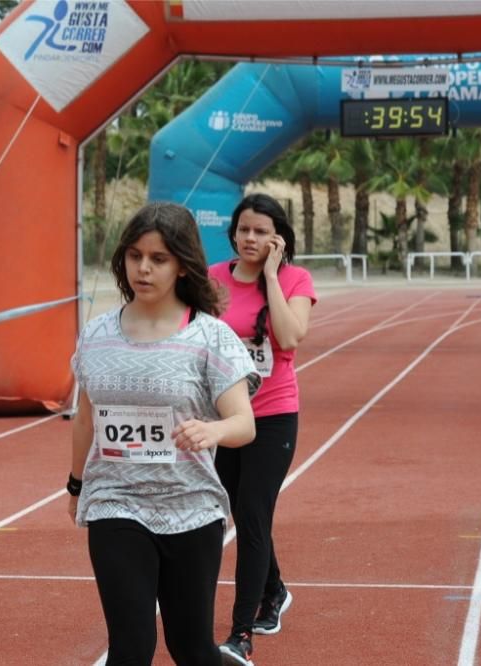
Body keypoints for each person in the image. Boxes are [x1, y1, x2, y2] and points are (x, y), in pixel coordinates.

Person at [68, 202, 261, 666]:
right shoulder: (96, 335)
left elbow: (245, 425)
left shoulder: (210, 338)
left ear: (181, 265)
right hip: (116, 502)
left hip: (191, 508)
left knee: (191, 648)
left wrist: (211, 429)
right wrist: (78, 485)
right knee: (131, 649)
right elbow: (85, 418)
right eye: (135, 256)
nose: (144, 268)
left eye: (158, 259)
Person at [209, 193, 317, 666]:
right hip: (226, 416)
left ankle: (240, 635)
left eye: (260, 231)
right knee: (241, 510)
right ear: (233, 232)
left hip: (273, 416)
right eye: (244, 230)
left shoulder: (295, 279)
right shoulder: (212, 278)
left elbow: (291, 337)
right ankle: (274, 590)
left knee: (253, 515)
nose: (250, 238)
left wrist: (271, 275)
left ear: (277, 236)